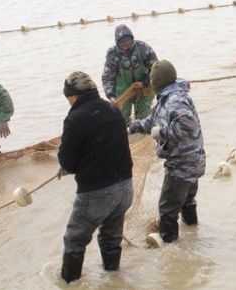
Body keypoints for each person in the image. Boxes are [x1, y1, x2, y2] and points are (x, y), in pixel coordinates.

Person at [57, 71, 133, 283]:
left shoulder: (75, 118)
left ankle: (69, 283)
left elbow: (69, 163)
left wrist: (62, 164)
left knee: (74, 241)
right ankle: (113, 278)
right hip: (125, 188)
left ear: (73, 96)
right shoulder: (113, 108)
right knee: (111, 239)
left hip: (97, 193)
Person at [129, 60, 206, 244]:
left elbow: (188, 125)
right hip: (192, 162)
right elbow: (151, 120)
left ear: (157, 82)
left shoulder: (174, 100)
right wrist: (131, 128)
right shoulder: (168, 97)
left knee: (167, 211)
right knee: (187, 202)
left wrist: (161, 133)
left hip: (181, 166)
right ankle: (193, 233)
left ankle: (172, 252)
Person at [102, 24, 158, 124]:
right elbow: (107, 77)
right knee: (121, 120)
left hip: (144, 88)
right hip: (123, 91)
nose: (126, 47)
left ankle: (144, 135)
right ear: (117, 43)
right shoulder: (112, 54)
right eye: (123, 45)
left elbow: (156, 70)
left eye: (128, 43)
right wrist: (111, 96)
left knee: (143, 117)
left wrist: (144, 82)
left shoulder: (143, 48)